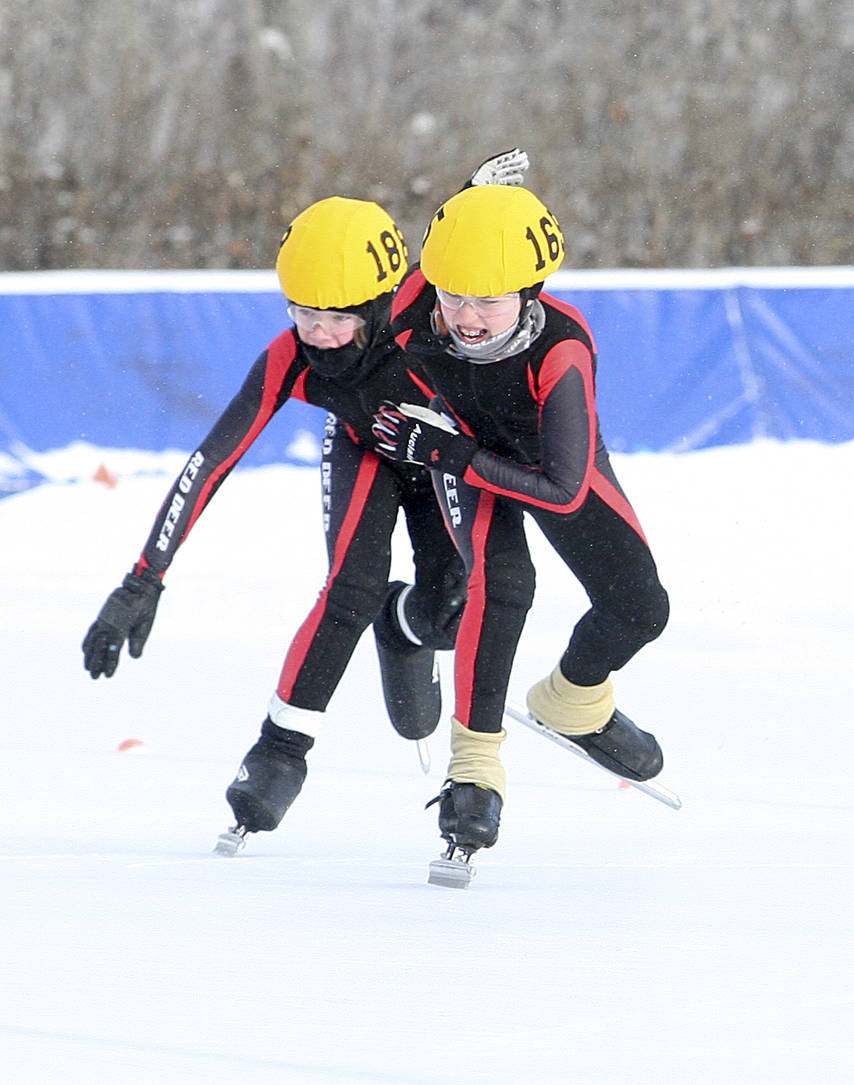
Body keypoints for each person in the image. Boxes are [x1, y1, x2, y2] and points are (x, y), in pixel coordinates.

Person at [81, 197, 466, 848]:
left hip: (441, 458)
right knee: (350, 587)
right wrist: (144, 579)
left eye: (335, 317)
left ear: (379, 306)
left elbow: (469, 250)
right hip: (364, 449)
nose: (316, 334)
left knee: (452, 608)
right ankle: (279, 751)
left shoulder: (430, 321)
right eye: (302, 312)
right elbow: (210, 461)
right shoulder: (289, 354)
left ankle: (404, 630)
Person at [368, 173, 669, 863]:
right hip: (459, 455)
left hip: (541, 464)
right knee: (500, 590)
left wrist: (449, 449)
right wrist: (471, 195)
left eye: (489, 302)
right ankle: (473, 770)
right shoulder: (419, 305)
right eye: (455, 296)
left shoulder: (562, 349)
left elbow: (563, 490)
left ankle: (576, 700)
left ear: (530, 294)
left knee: (641, 608)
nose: (467, 318)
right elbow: (449, 246)